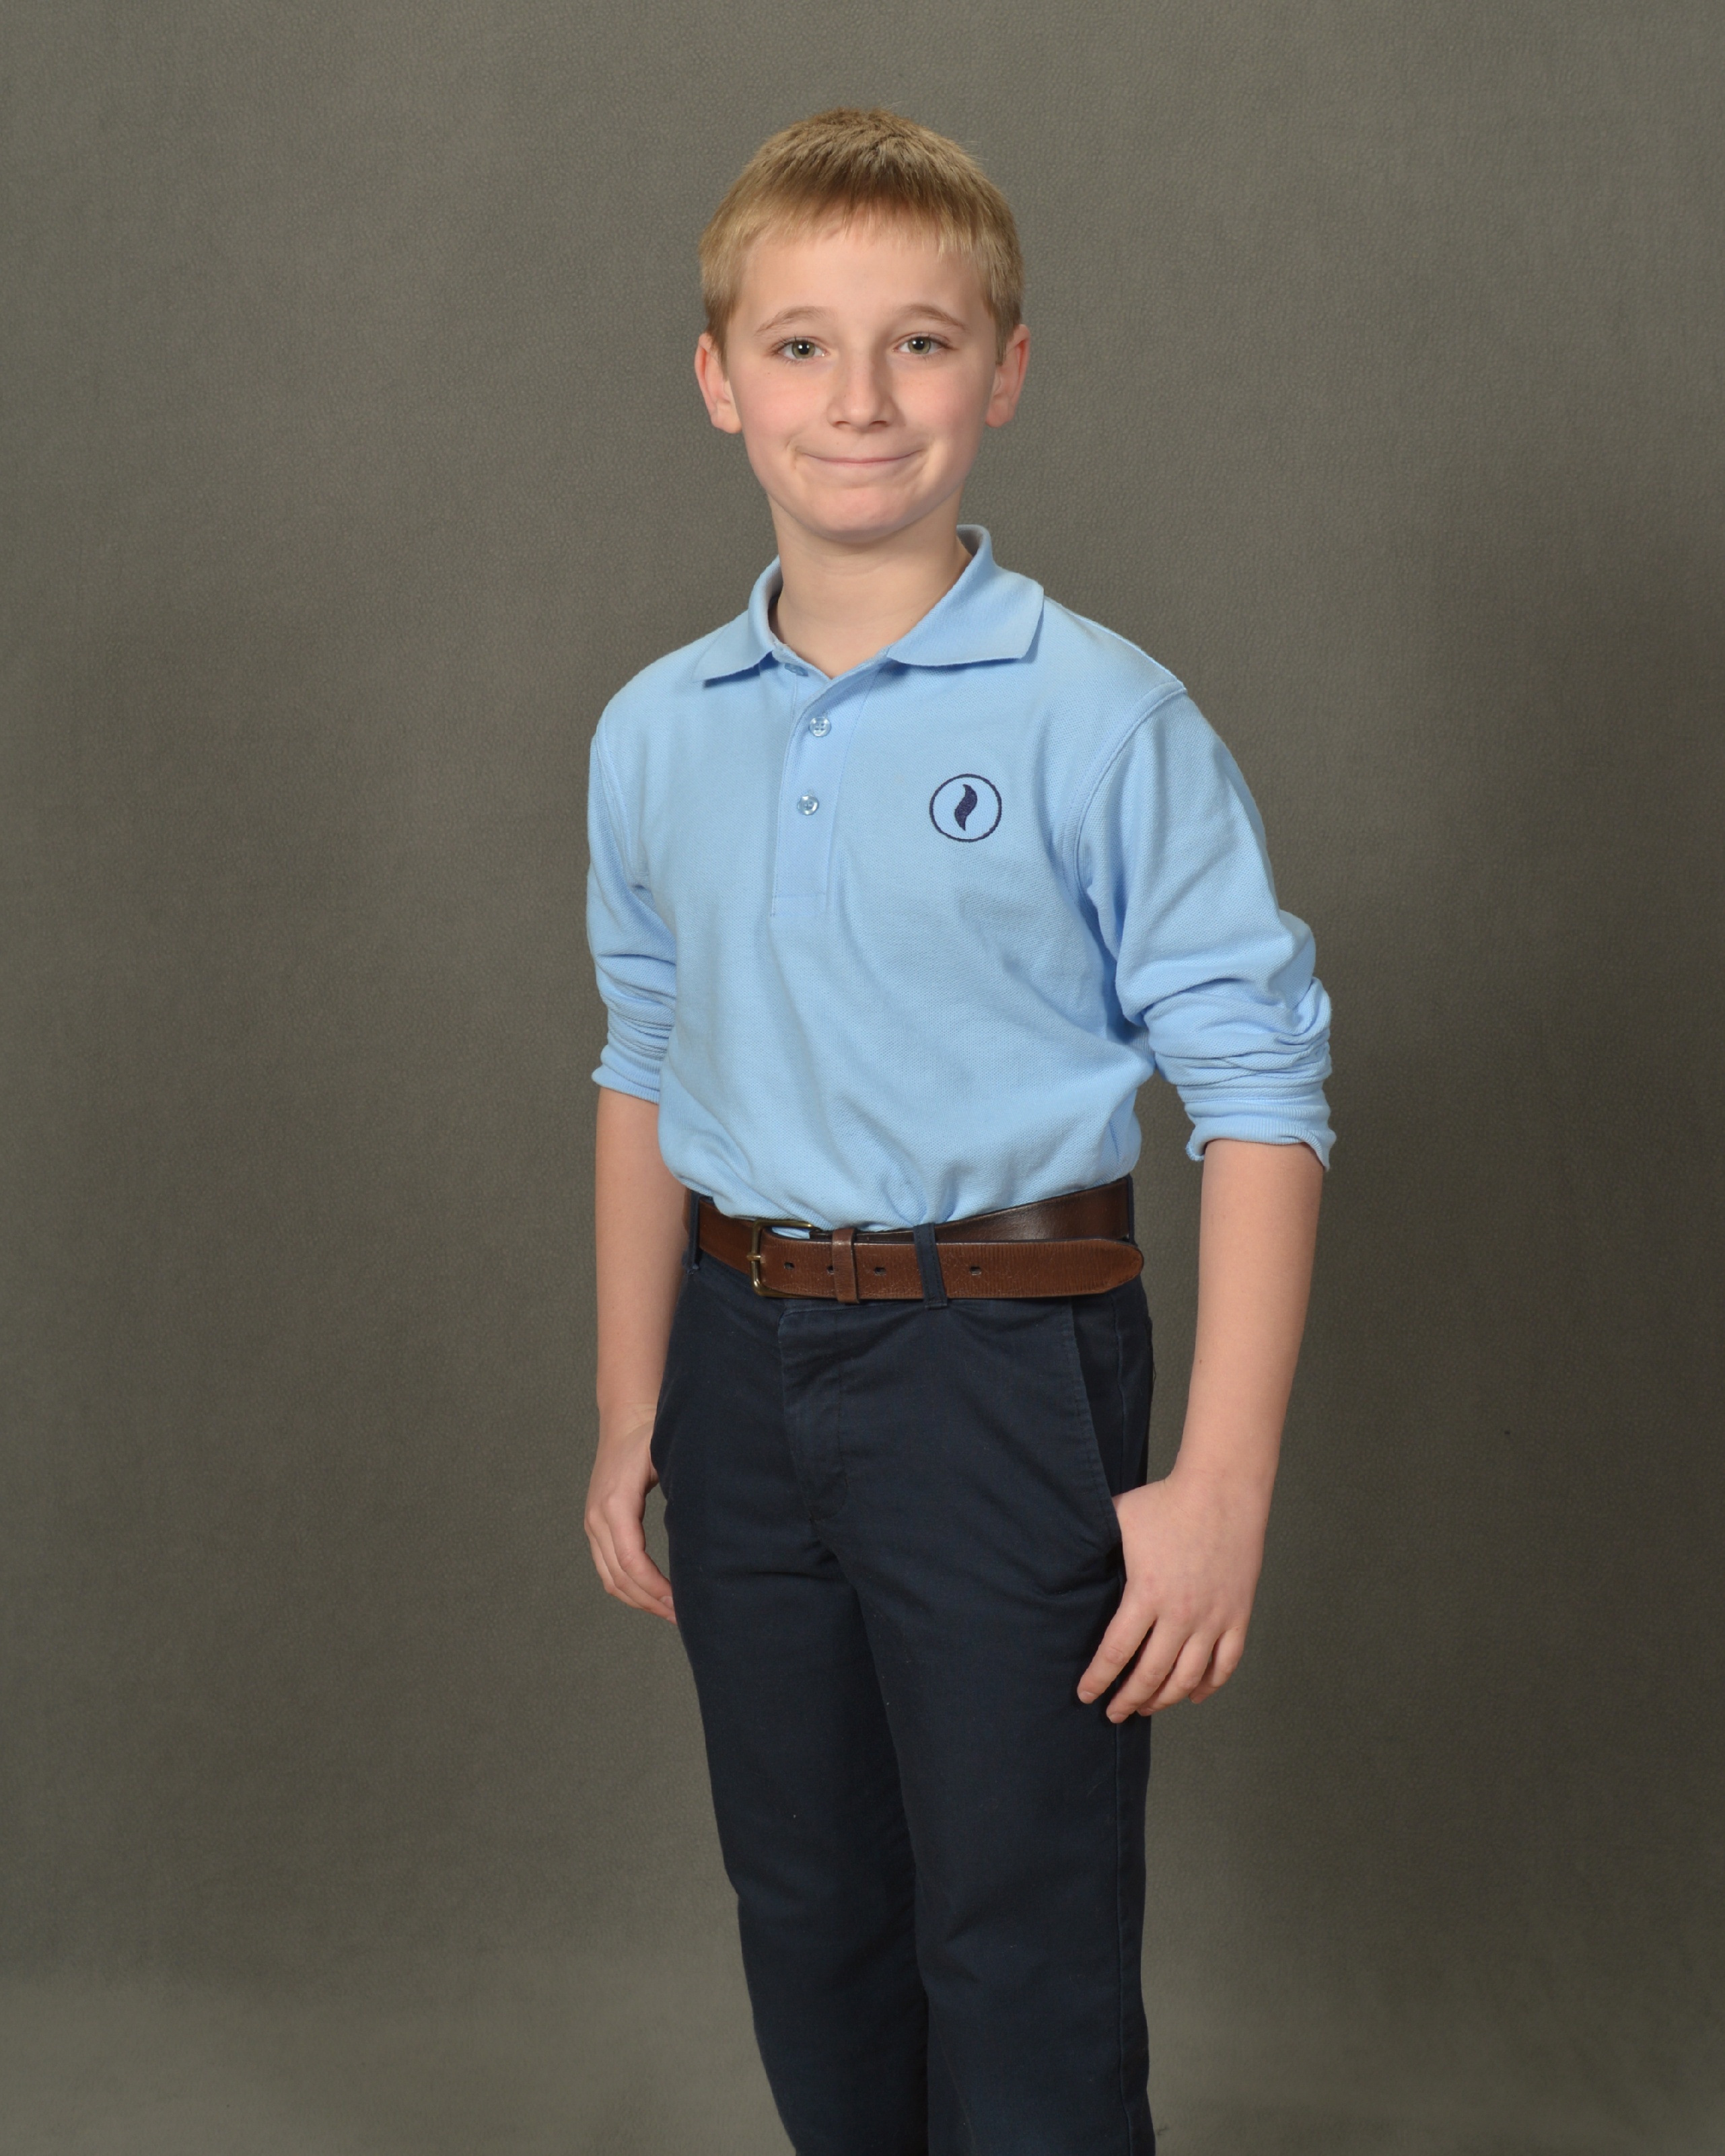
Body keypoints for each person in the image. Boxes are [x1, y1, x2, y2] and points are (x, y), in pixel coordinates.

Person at [582, 107, 1331, 2156]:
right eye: (801, 345)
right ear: (719, 378)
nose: (860, 397)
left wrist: (1219, 1484)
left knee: (1018, 1937)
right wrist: (635, 1400)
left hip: (1000, 1366)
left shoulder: (1099, 716)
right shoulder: (654, 728)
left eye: (918, 342)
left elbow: (1259, 1090)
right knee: (812, 1914)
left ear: (1002, 372)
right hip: (741, 1365)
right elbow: (643, 1057)